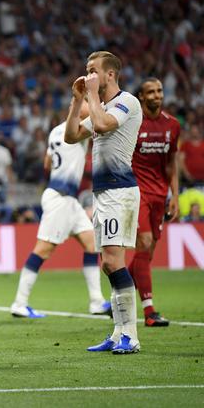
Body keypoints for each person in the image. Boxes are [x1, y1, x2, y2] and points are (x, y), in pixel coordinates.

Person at [65, 51, 143, 354]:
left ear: (110, 74)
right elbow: (72, 137)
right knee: (107, 265)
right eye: (86, 70)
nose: (88, 75)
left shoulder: (127, 102)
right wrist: (76, 101)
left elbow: (103, 124)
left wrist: (93, 94)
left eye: (93, 70)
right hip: (102, 193)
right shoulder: (98, 103)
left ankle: (131, 335)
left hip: (120, 191)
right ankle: (117, 332)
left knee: (113, 261)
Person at [11, 103, 110, 319]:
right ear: (76, 108)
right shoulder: (79, 129)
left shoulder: (56, 130)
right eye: (86, 102)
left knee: (91, 244)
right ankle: (19, 303)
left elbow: (47, 162)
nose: (91, 105)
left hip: (67, 199)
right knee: (43, 249)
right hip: (60, 198)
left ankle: (96, 301)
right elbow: (104, 122)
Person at [129, 78, 180, 327]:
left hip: (160, 195)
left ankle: (121, 293)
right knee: (144, 243)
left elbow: (172, 164)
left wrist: (175, 196)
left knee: (146, 254)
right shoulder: (133, 124)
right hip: (138, 193)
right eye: (151, 92)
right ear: (141, 96)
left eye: (159, 91)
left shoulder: (172, 125)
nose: (157, 95)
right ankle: (149, 311)